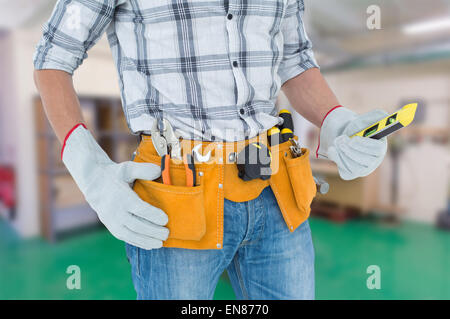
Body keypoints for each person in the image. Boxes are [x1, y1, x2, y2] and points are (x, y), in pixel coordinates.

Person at [33, 0, 387, 300]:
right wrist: (88, 167)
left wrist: (335, 117)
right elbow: (53, 57)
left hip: (276, 190)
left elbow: (294, 60)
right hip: (177, 196)